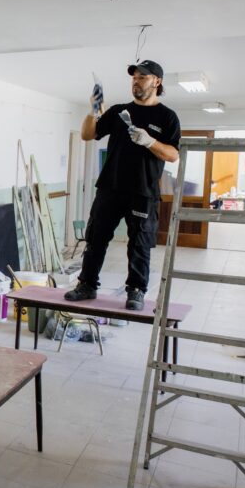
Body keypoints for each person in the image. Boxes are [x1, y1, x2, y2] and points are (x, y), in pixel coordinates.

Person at [65, 60, 180, 310]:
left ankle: (136, 291)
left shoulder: (167, 117)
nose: (136, 82)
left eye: (142, 77)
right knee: (95, 238)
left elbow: (173, 155)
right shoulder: (118, 111)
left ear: (157, 82)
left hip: (143, 191)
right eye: (134, 77)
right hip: (110, 187)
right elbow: (87, 134)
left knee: (139, 244)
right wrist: (93, 110)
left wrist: (150, 142)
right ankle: (87, 284)